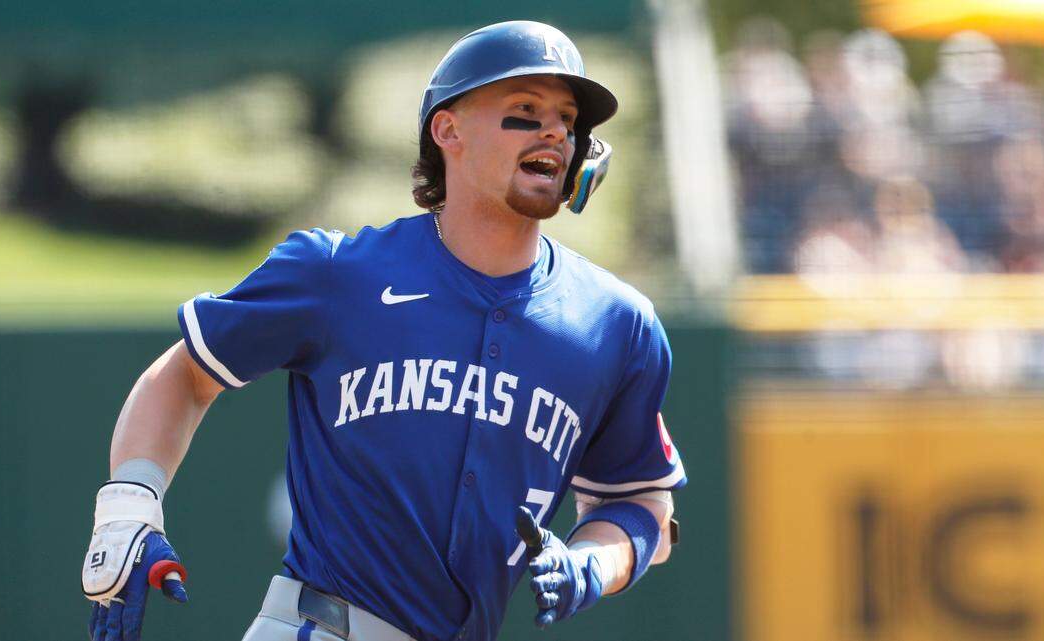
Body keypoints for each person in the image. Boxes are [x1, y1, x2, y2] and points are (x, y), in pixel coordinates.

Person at [81, 20, 686, 641]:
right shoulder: (338, 272)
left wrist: (592, 563)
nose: (555, 131)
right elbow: (184, 374)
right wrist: (127, 506)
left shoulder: (618, 325)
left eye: (567, 118)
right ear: (447, 130)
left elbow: (642, 506)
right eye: (524, 111)